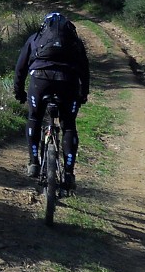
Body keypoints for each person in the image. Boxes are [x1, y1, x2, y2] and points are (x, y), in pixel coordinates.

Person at [13, 11, 90, 190]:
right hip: (68, 83)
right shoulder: (75, 41)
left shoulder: (35, 38)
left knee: (34, 118)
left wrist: (19, 92)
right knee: (69, 126)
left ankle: (33, 163)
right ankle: (69, 173)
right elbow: (84, 71)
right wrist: (83, 93)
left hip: (40, 81)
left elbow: (20, 67)